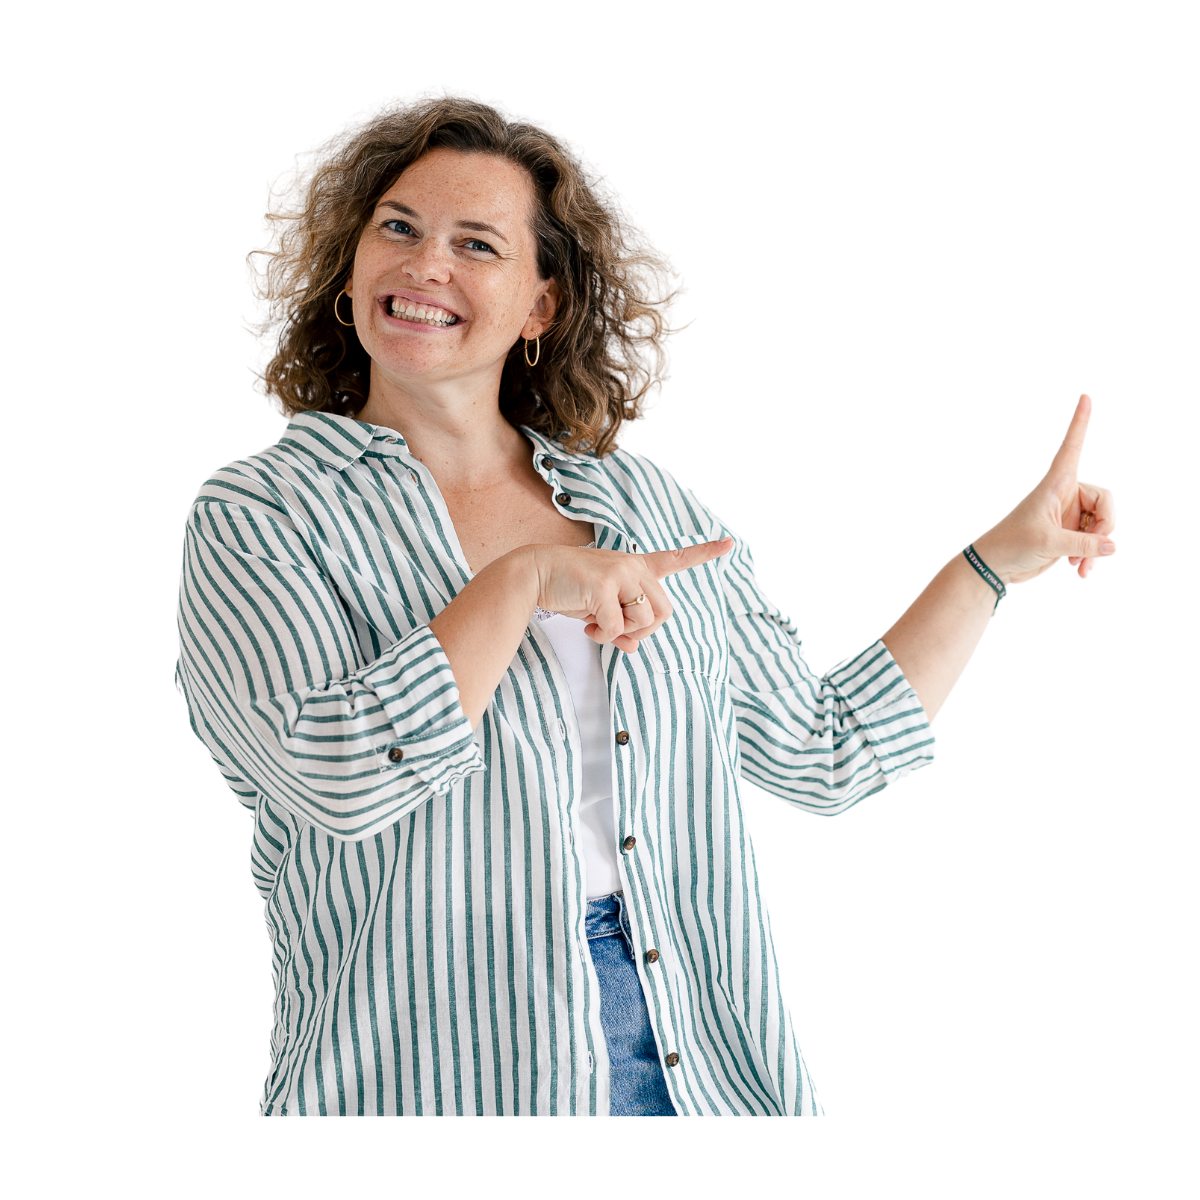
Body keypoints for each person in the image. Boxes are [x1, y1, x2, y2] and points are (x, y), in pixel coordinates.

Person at [179, 94, 1118, 1120]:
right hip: (429, 1069)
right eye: (397, 228)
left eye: (476, 244)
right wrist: (520, 583)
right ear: (352, 265)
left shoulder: (643, 500)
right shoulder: (260, 513)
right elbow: (337, 779)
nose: (424, 265)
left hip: (686, 1053)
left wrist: (995, 563)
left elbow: (824, 748)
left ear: (540, 307)